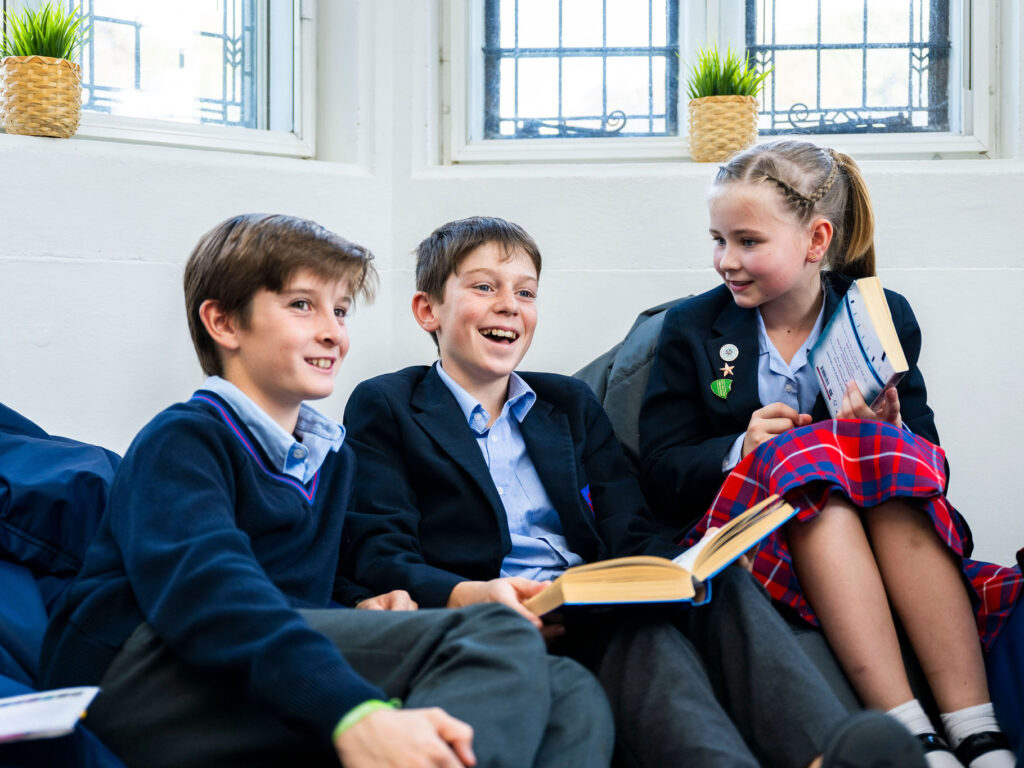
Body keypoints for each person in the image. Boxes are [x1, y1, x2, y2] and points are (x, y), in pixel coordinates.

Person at [340, 215, 927, 768]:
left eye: (525, 292)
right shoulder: (389, 403)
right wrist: (471, 595)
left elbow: (630, 526)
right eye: (484, 287)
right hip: (497, 617)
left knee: (711, 580)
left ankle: (823, 753)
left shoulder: (567, 406)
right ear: (427, 310)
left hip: (591, 596)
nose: (508, 308)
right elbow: (380, 550)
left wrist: (690, 561)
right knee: (637, 636)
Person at [39, 213, 614, 768]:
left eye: (339, 310)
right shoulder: (185, 439)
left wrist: (361, 607)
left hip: (248, 660)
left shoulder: (328, 459)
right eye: (301, 305)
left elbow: (306, 592)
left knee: (566, 686)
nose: (331, 331)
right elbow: (214, 597)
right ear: (224, 324)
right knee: (491, 631)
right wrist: (354, 711)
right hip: (134, 675)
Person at [639, 140, 1022, 768]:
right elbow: (658, 470)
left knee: (879, 458)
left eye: (748, 242)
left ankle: (978, 735)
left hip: (869, 527)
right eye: (718, 240)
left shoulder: (882, 315)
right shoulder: (690, 329)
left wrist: (892, 430)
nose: (725, 261)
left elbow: (934, 470)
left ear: (817, 240)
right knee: (806, 463)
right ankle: (912, 737)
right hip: (752, 529)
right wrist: (740, 447)